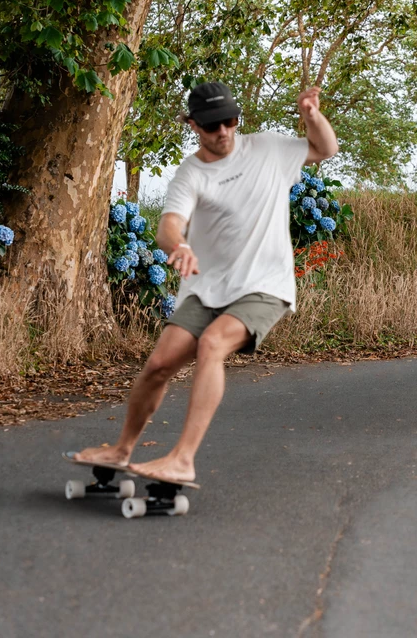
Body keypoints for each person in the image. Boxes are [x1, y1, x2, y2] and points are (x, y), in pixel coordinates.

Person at [72, 82, 338, 482]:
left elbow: (325, 149)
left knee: (213, 343)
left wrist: (312, 116)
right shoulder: (191, 173)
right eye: (213, 126)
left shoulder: (269, 149)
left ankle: (182, 458)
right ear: (194, 126)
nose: (224, 132)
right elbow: (169, 226)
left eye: (231, 122)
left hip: (264, 286)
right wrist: (178, 245)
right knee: (159, 364)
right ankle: (121, 450)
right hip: (208, 288)